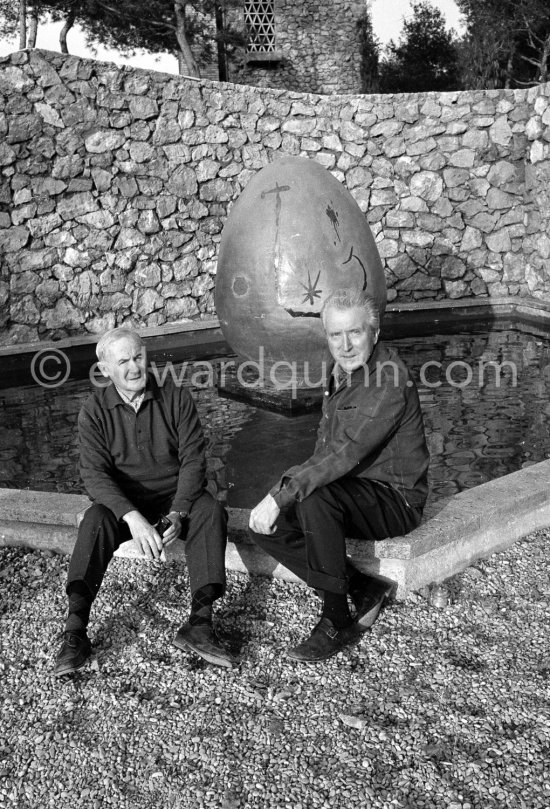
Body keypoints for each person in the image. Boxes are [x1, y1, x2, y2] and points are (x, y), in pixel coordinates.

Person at [249, 288, 429, 663]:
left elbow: (344, 452)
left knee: (313, 497)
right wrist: (275, 496)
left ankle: (336, 619)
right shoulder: (342, 370)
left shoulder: (389, 380)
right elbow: (323, 452)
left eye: (355, 333)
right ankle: (362, 584)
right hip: (353, 489)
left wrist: (284, 493)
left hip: (394, 499)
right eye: (335, 335)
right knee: (264, 525)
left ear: (374, 334)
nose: (345, 345)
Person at [54, 326, 233, 676]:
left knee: (211, 510)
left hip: (173, 497)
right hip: (125, 503)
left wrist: (179, 511)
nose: (134, 367)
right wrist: (132, 517)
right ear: (106, 369)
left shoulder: (175, 397)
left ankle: (200, 622)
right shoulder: (94, 410)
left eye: (138, 356)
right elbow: (94, 475)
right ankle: (75, 629)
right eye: (123, 361)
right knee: (94, 520)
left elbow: (194, 460)